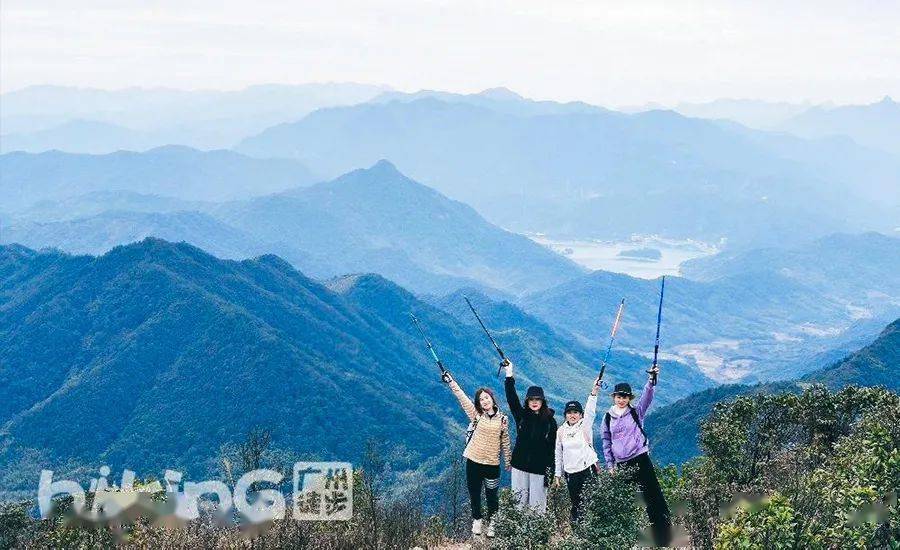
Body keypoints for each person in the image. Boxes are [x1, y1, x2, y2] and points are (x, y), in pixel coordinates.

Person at [600, 366, 672, 546]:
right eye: (619, 396)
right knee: (621, 502)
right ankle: (623, 540)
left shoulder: (635, 412)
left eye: (624, 397)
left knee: (654, 498)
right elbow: (606, 442)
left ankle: (662, 540)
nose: (621, 399)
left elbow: (647, 399)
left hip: (640, 459)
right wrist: (610, 466)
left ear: (629, 398)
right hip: (622, 464)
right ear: (614, 397)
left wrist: (651, 380)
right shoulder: (607, 418)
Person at [442, 370, 512, 538]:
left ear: (492, 399)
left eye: (486, 397)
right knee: (474, 493)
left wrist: (508, 460)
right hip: (473, 461)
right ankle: (477, 520)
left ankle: (493, 522)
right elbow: (461, 397)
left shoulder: (502, 419)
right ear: (479, 404)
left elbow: (505, 441)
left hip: (492, 464)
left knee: (492, 496)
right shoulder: (476, 415)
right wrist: (451, 380)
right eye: (481, 399)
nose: (484, 401)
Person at [503, 360, 556, 513]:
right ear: (527, 401)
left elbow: (552, 449)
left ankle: (537, 536)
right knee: (518, 505)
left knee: (537, 508)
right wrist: (509, 375)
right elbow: (512, 398)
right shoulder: (521, 416)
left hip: (539, 470)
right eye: (531, 399)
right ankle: (518, 536)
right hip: (519, 466)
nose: (534, 402)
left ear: (542, 401)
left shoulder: (550, 422)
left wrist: (550, 473)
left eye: (537, 399)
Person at [554, 376, 601, 524]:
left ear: (580, 415)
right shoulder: (561, 431)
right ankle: (577, 534)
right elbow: (558, 454)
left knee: (590, 502)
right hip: (570, 472)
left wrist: (594, 392)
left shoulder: (584, 426)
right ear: (565, 415)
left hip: (587, 469)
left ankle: (591, 530)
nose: (572, 415)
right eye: (569, 412)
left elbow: (590, 412)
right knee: (576, 503)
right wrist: (558, 474)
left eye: (575, 412)